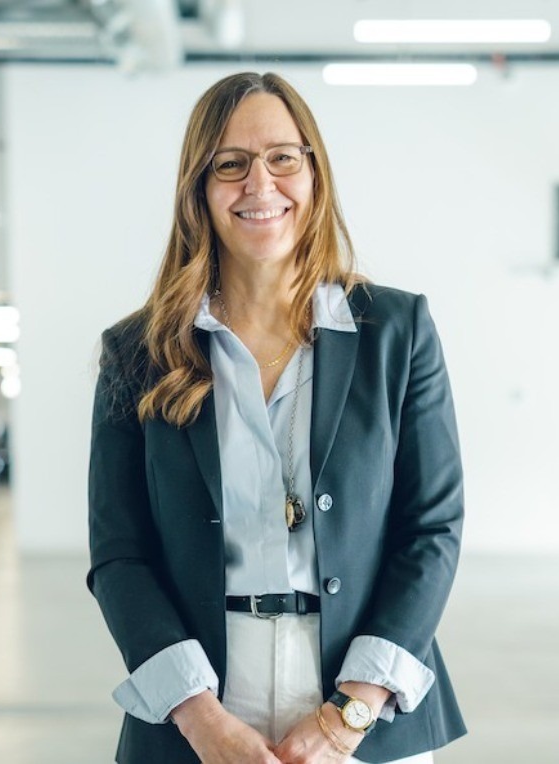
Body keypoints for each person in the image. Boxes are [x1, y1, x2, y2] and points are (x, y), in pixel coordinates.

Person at [87, 71, 466, 764]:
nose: (260, 185)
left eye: (282, 158)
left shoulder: (397, 330)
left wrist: (351, 714)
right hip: (196, 695)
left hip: (364, 691)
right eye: (230, 164)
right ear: (198, 188)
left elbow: (431, 528)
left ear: (314, 173)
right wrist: (200, 719)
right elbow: (120, 555)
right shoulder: (138, 352)